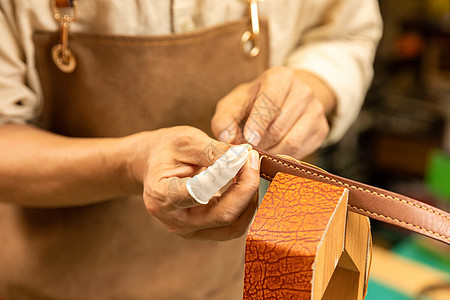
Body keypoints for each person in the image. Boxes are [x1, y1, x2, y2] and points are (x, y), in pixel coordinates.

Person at [0, 0, 382, 299]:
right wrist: (131, 162)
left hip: (228, 284)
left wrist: (310, 87)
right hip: (45, 286)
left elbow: (343, 33)